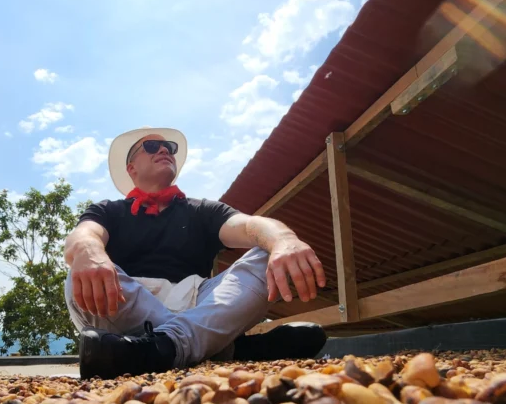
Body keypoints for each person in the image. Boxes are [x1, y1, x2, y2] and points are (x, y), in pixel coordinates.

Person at [64, 127, 329, 379]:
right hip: (128, 302)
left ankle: (162, 348)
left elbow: (249, 226)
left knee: (265, 253)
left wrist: (283, 239)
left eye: (169, 147)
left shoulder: (201, 210)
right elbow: (84, 235)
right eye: (152, 146)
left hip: (198, 300)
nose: (164, 150)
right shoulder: (107, 210)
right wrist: (89, 250)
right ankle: (226, 347)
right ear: (131, 168)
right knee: (77, 269)